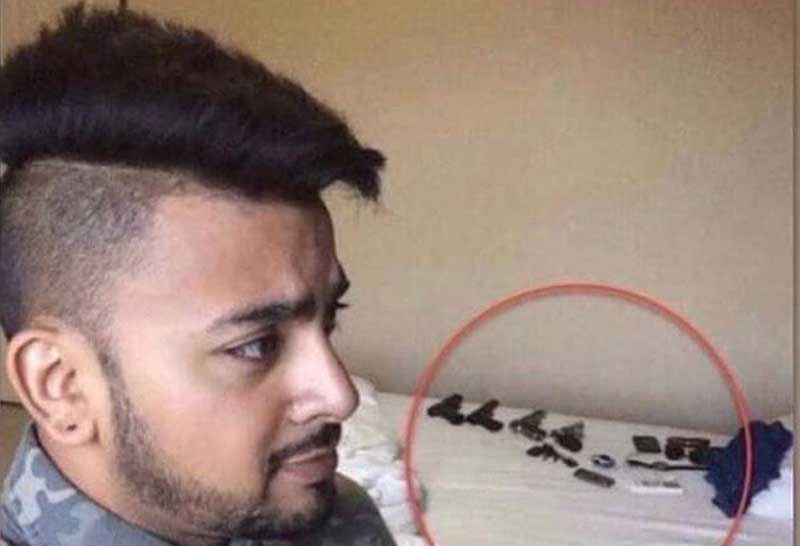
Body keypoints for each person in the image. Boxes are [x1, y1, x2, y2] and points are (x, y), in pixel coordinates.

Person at [0, 3, 396, 546]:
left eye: (329, 319)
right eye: (256, 345)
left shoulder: (338, 520)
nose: (340, 395)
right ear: (61, 385)